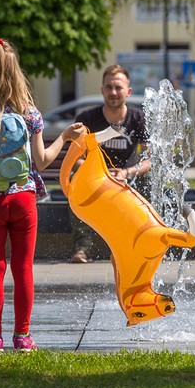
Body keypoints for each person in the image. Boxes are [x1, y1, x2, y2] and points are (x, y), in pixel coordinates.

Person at [0, 37, 85, 352]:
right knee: (23, 267)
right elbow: (42, 161)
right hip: (24, 198)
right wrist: (64, 137)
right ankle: (23, 336)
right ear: (16, 73)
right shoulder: (30, 113)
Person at [68, 64, 151, 264]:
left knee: (149, 180)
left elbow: (149, 160)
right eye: (109, 87)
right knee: (75, 179)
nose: (113, 92)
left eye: (118, 87)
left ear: (128, 91)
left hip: (126, 180)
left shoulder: (139, 119)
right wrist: (101, 172)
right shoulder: (87, 119)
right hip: (95, 179)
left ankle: (143, 244)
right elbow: (74, 160)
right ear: (102, 90)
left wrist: (127, 172)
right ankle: (82, 248)